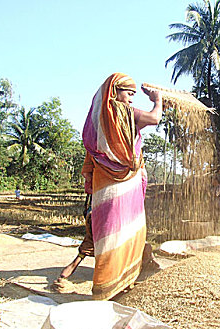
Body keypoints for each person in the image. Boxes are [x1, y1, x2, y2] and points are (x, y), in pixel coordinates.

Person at [54, 73, 162, 300]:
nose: (131, 100)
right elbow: (154, 118)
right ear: (115, 91)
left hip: (104, 187)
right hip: (126, 186)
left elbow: (90, 153)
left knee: (107, 233)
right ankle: (111, 286)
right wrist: (157, 99)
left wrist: (88, 179)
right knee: (126, 231)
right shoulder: (124, 114)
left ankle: (109, 284)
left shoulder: (97, 120)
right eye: (128, 94)